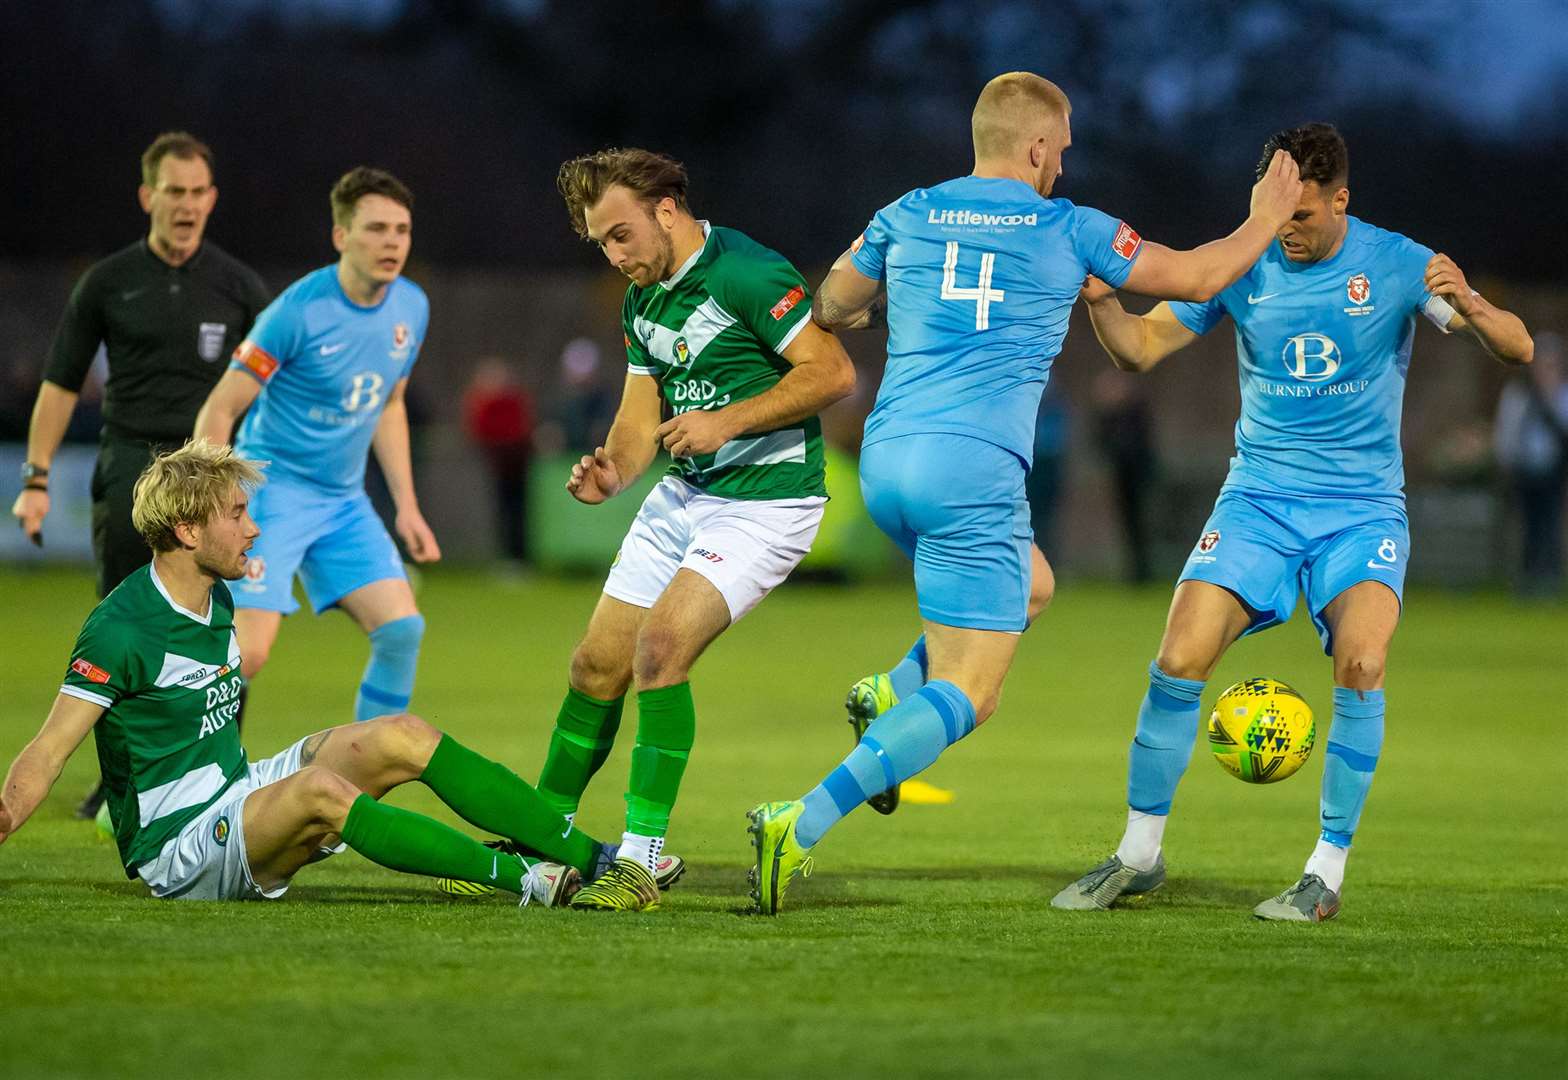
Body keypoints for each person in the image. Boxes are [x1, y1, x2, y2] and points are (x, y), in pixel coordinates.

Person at [747, 70, 1304, 914]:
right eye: (1063, 149)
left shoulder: (909, 210)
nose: (1064, 164)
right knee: (973, 691)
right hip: (971, 473)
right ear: (1038, 145)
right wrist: (1265, 217)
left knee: (1032, 584)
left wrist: (866, 310)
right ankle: (802, 820)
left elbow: (830, 300)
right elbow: (1194, 278)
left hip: (886, 463)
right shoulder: (1071, 228)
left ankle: (891, 689)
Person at [1053, 123, 1534, 921]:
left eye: (1302, 217)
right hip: (1259, 502)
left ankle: (1325, 872)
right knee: (1177, 657)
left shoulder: (1398, 263)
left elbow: (1516, 348)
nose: (1285, 232)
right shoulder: (1243, 264)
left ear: (1340, 200)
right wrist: (1102, 299)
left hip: (1360, 511)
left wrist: (1475, 306)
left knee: (1363, 662)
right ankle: (1137, 855)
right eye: (1273, 214)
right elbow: (1138, 350)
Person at [0, 440, 623, 906]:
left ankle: (595, 856)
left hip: (238, 793)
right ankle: (528, 880)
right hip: (180, 847)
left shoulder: (216, 595)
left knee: (402, 734)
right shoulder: (122, 628)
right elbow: (51, 749)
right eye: (236, 515)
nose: (254, 528)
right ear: (187, 530)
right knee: (321, 791)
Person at [539, 148, 855, 911]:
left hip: (769, 501)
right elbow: (638, 419)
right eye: (602, 243)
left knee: (660, 648)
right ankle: (537, 835)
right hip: (686, 494)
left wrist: (726, 422)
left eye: (621, 235)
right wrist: (612, 469)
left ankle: (642, 862)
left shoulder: (746, 272)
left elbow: (832, 373)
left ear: (667, 210)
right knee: (593, 668)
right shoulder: (641, 299)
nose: (616, 256)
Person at [9, 131, 271, 819]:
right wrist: (36, 479)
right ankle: (117, 790)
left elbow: (276, 390)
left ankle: (220, 782)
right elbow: (61, 384)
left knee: (223, 637)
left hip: (213, 483)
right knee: (124, 635)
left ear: (212, 199)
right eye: (173, 192)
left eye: (197, 193)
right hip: (131, 473)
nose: (185, 205)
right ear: (147, 195)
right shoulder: (108, 281)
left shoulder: (240, 287)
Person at [194, 167, 439, 730]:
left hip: (343, 503)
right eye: (376, 229)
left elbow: (390, 403)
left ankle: (358, 785)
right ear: (341, 237)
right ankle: (157, 776)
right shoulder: (296, 312)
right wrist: (213, 503)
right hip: (269, 494)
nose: (392, 242)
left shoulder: (412, 307)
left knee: (402, 630)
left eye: (401, 230)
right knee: (247, 655)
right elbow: (221, 407)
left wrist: (406, 505)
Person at [1493, 332, 1568, 598]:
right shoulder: (1519, 394)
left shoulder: (1562, 394)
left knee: (1551, 525)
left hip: (1553, 471)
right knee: (1527, 526)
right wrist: (1506, 463)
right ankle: (1526, 579)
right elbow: (1507, 431)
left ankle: (1550, 578)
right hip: (1524, 470)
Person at [461, 357, 537, 566]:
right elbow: (480, 430)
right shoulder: (482, 402)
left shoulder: (512, 401)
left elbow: (522, 428)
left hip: (518, 464)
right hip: (498, 466)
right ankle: (506, 556)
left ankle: (520, 557)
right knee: (503, 512)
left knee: (519, 512)